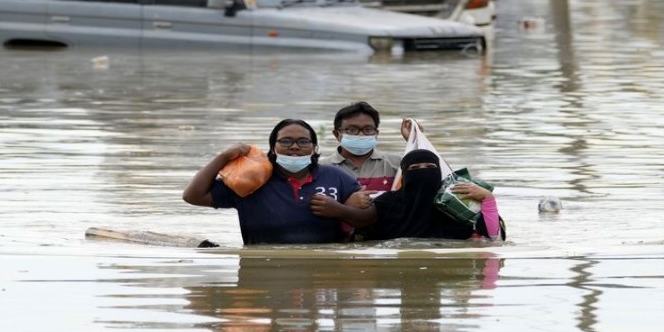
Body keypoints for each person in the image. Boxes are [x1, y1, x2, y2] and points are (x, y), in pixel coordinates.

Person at [183, 118, 361, 245]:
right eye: (285, 141)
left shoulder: (335, 177)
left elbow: (370, 217)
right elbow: (193, 196)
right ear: (273, 149)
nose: (294, 147)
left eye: (303, 142)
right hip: (262, 275)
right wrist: (223, 157)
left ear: (315, 148)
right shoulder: (252, 181)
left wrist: (340, 210)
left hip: (323, 275)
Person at [312, 149, 503, 241]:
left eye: (429, 168)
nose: (423, 173)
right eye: (415, 168)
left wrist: (488, 200)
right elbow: (359, 236)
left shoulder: (454, 202)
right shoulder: (385, 204)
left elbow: (493, 236)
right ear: (404, 175)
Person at [326, 101, 410, 198]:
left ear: (376, 133)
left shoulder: (397, 164)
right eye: (352, 130)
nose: (361, 135)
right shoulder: (321, 169)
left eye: (368, 130)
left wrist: (414, 139)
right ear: (337, 134)